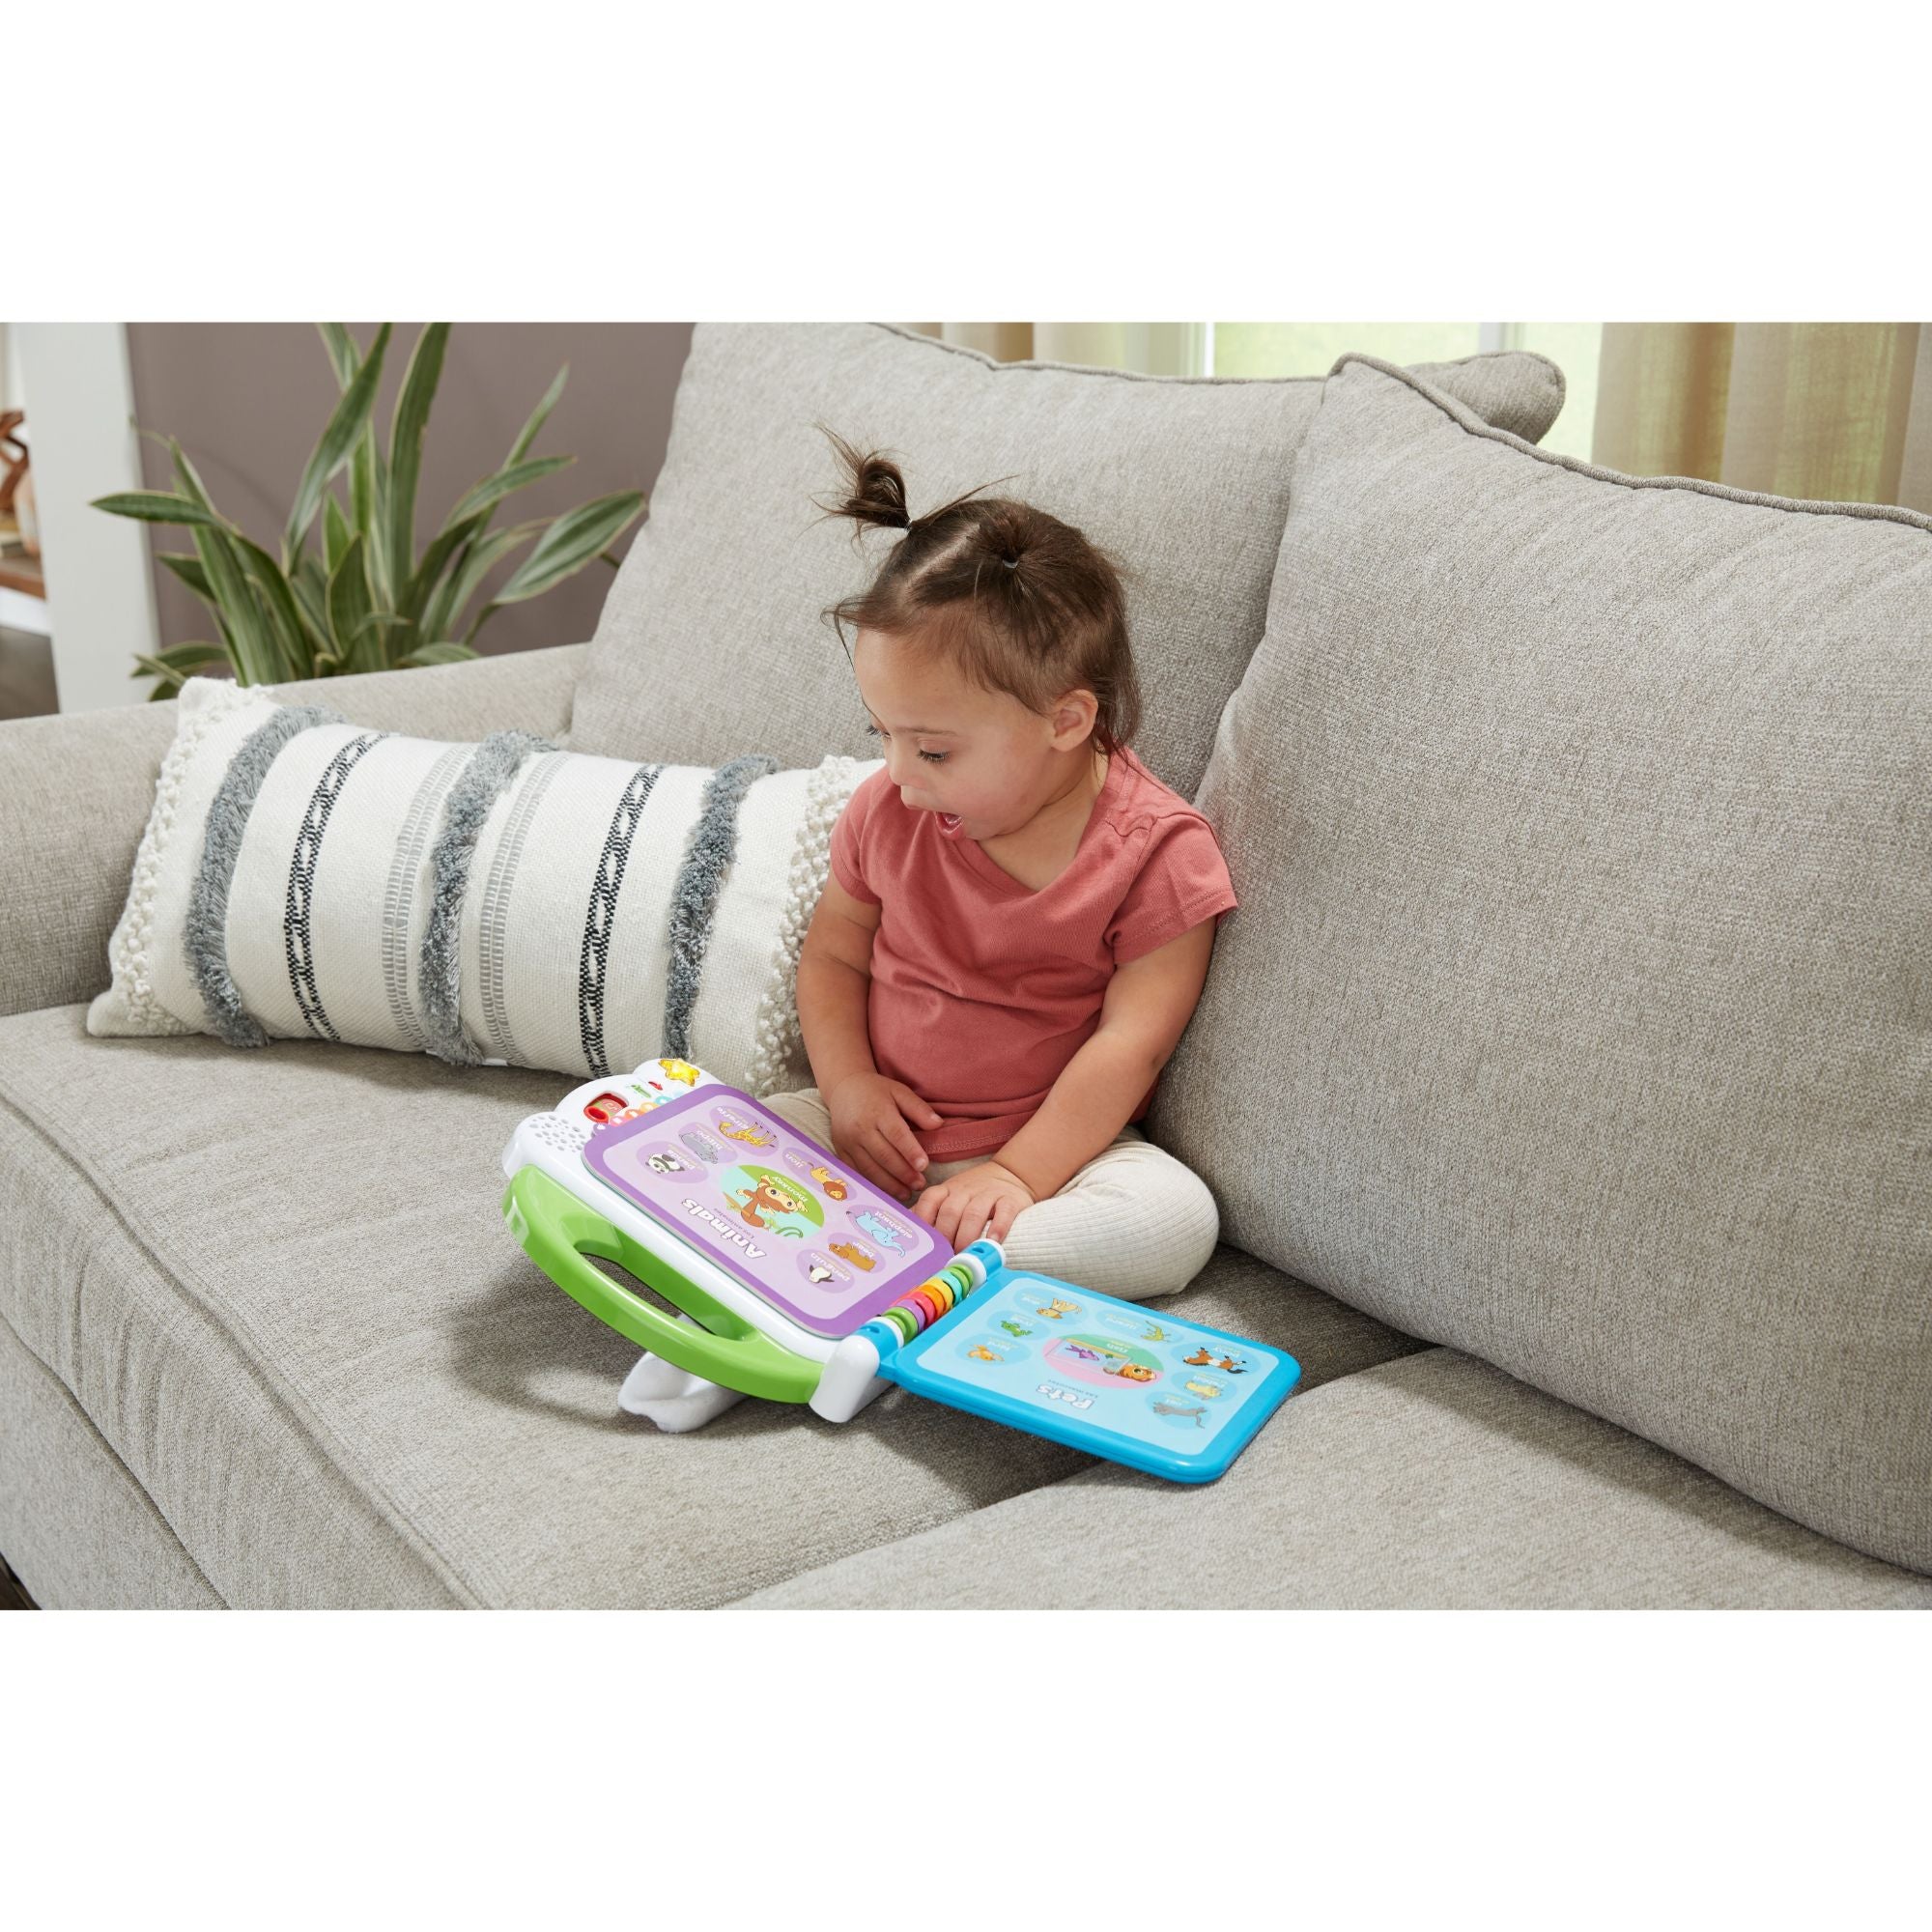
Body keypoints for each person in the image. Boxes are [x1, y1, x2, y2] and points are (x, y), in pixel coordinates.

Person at [622, 431, 1239, 1433]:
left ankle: (867, 1294)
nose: (900, 775)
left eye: (934, 749)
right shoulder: (887, 811)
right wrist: (848, 1087)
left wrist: (1016, 1175)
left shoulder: (1157, 854)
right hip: (869, 1147)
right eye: (883, 734)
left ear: (1066, 720)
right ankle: (847, 1296)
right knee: (713, 1150)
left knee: (1174, 1222)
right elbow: (833, 956)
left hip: (1043, 1168)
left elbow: (1131, 1045)